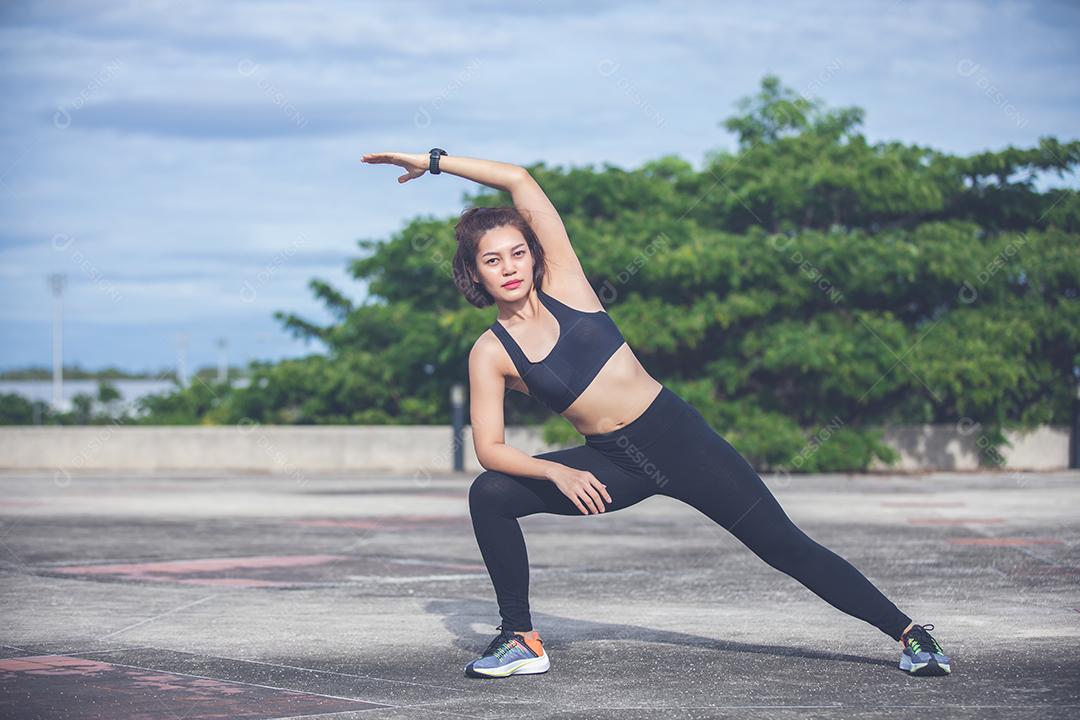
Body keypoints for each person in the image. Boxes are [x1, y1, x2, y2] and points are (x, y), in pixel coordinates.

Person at [361, 150, 952, 679]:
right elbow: (489, 448)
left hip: (680, 440)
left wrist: (432, 162)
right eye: (494, 260)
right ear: (476, 273)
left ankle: (910, 635)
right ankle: (520, 639)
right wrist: (557, 472)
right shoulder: (490, 352)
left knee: (784, 546)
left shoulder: (568, 283)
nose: (511, 266)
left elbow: (518, 178)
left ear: (534, 255)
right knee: (489, 493)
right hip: (613, 464)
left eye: (518, 252)